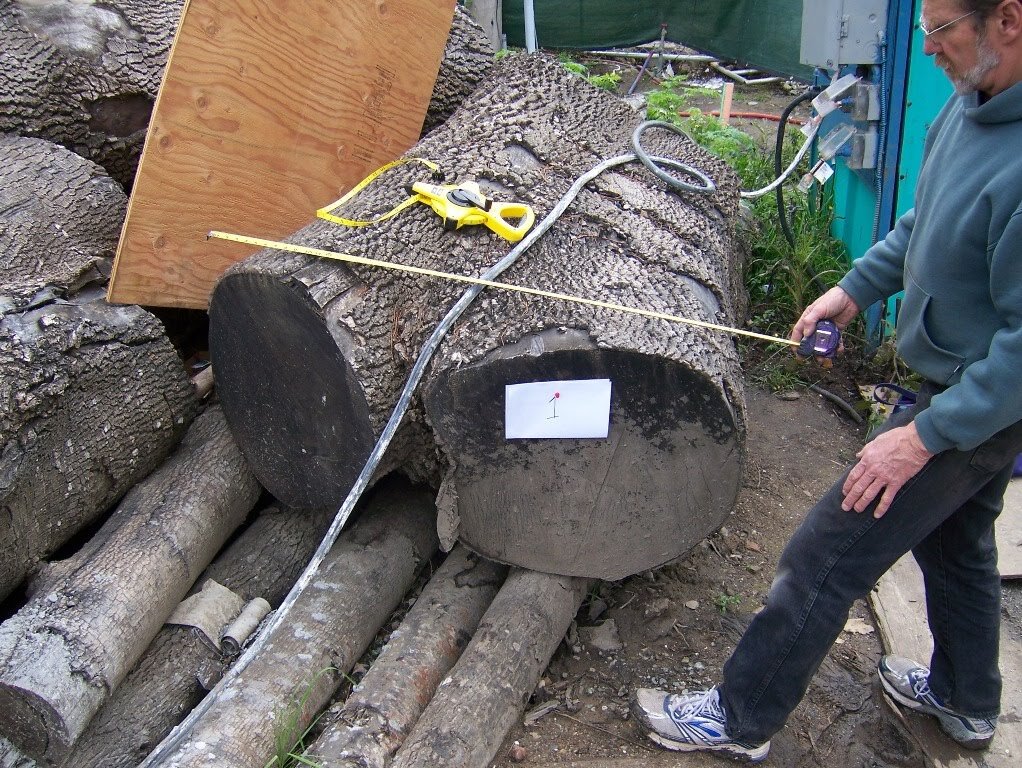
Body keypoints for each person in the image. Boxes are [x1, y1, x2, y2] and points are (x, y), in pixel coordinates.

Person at [631, 0, 1022, 761]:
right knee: (959, 542)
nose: (931, 48)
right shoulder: (969, 106)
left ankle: (740, 718)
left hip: (981, 402)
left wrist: (921, 438)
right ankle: (968, 702)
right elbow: (920, 224)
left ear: (1007, 19)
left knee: (825, 553)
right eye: (925, 33)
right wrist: (850, 292)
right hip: (962, 389)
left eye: (942, 31)